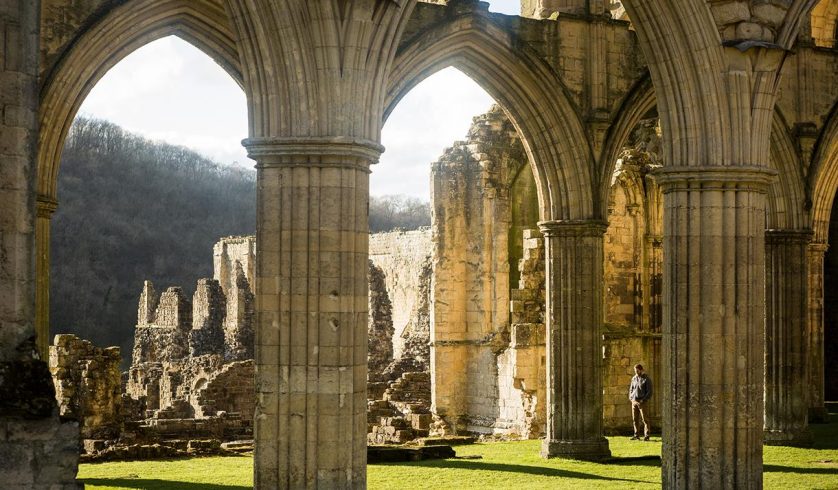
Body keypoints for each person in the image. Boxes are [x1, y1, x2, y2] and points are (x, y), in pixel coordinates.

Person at [628, 363, 652, 441]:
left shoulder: (646, 379)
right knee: (635, 419)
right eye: (635, 371)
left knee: (645, 419)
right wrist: (631, 398)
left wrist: (643, 399)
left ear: (641, 370)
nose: (636, 372)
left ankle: (647, 436)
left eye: (637, 370)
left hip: (642, 402)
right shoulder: (634, 378)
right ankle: (636, 435)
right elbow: (631, 389)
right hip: (634, 401)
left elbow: (649, 392)